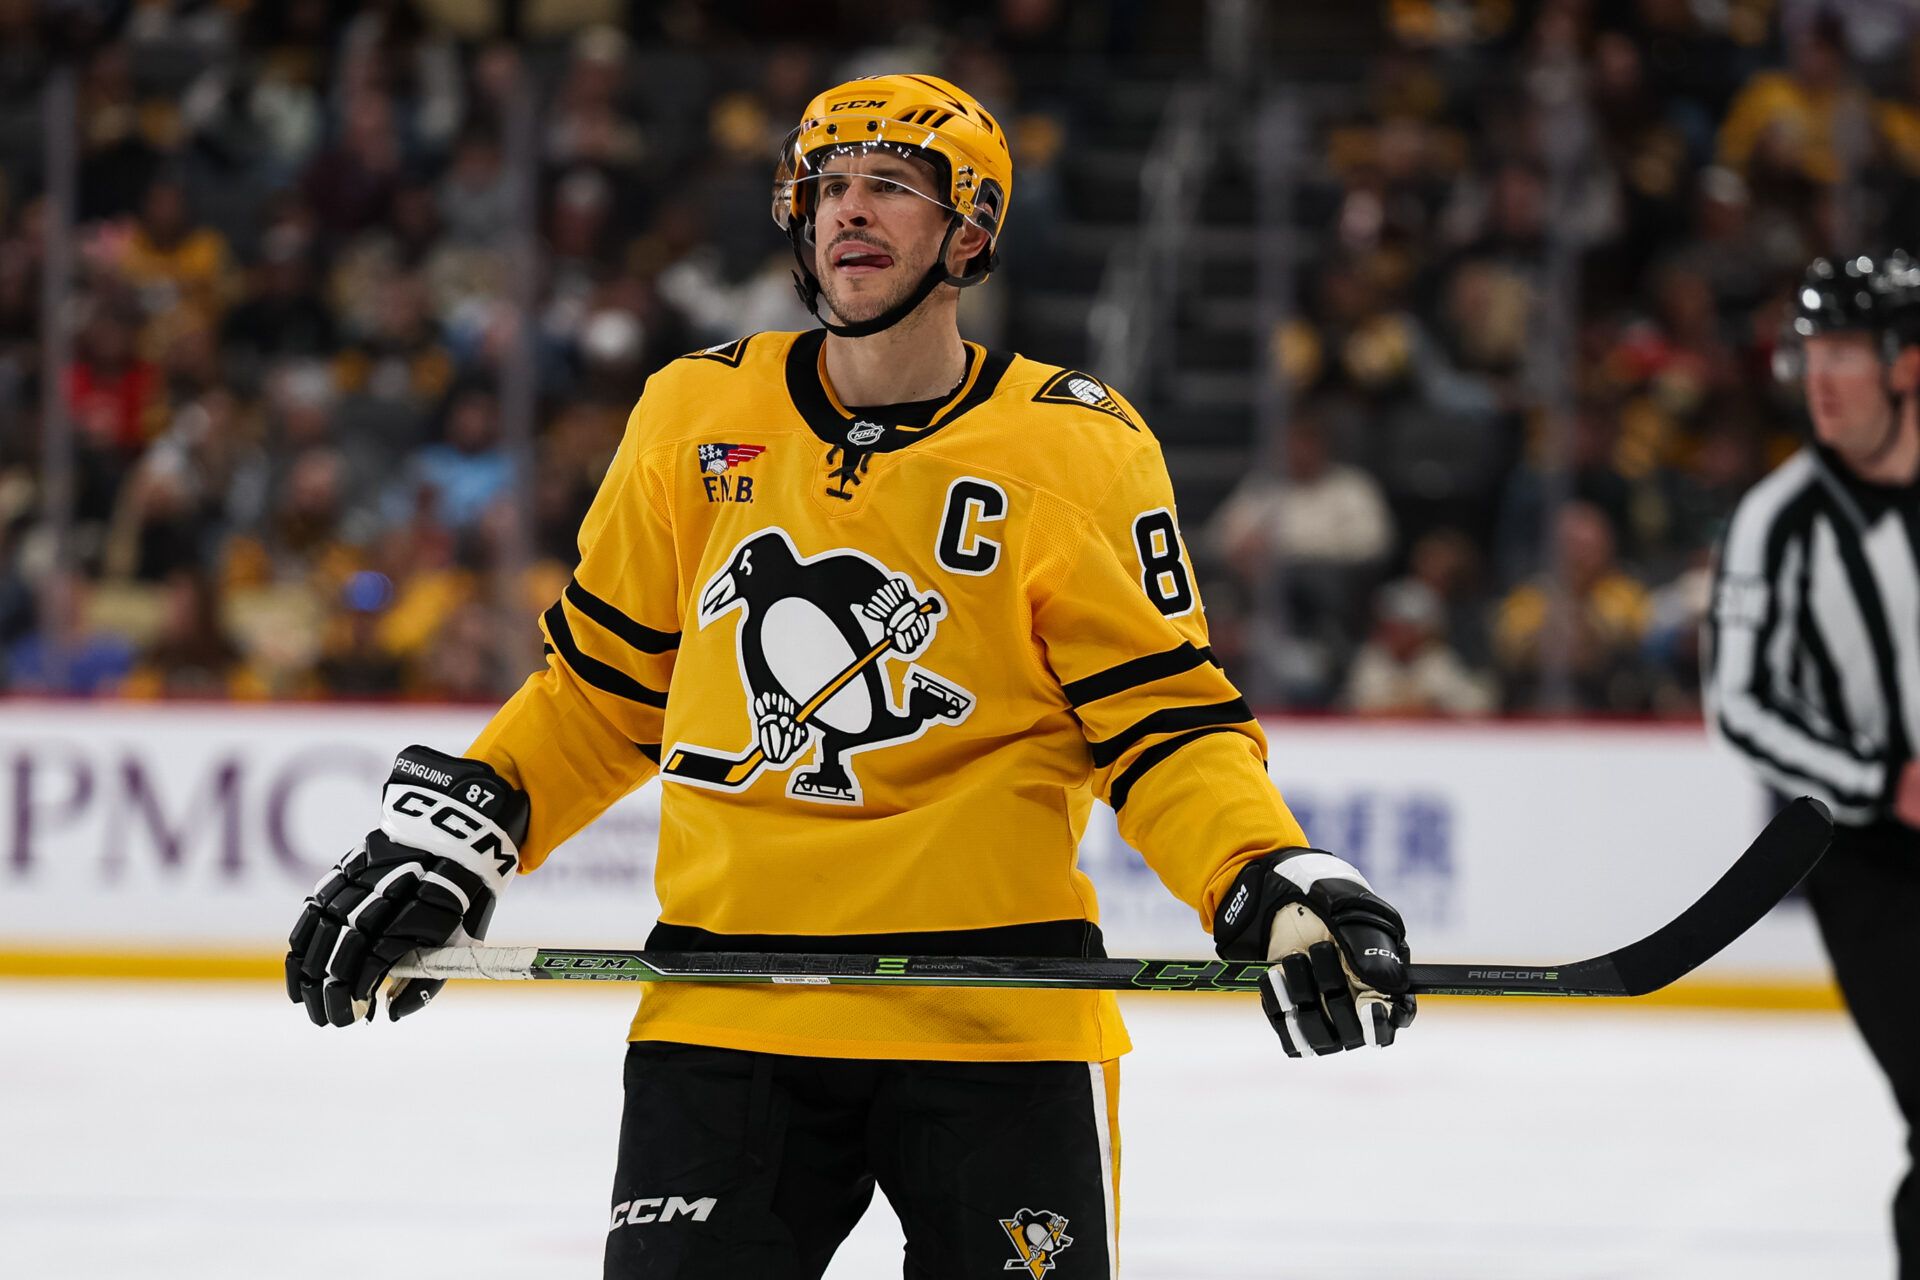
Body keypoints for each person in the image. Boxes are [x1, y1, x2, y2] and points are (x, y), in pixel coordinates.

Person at [284, 74, 1417, 1279]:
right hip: (729, 1001)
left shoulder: (1077, 446)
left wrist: (1263, 868)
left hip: (998, 1011)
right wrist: (469, 833)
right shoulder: (691, 414)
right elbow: (602, 692)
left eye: (891, 185)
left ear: (970, 231)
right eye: (827, 186)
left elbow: (1165, 729)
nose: (847, 212)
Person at [1706, 251, 1920, 1278]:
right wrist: (1883, 780)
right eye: (1811, 353)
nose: (1820, 378)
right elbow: (1739, 704)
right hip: (1870, 860)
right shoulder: (1778, 518)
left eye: (1844, 351)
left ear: (1907, 364)